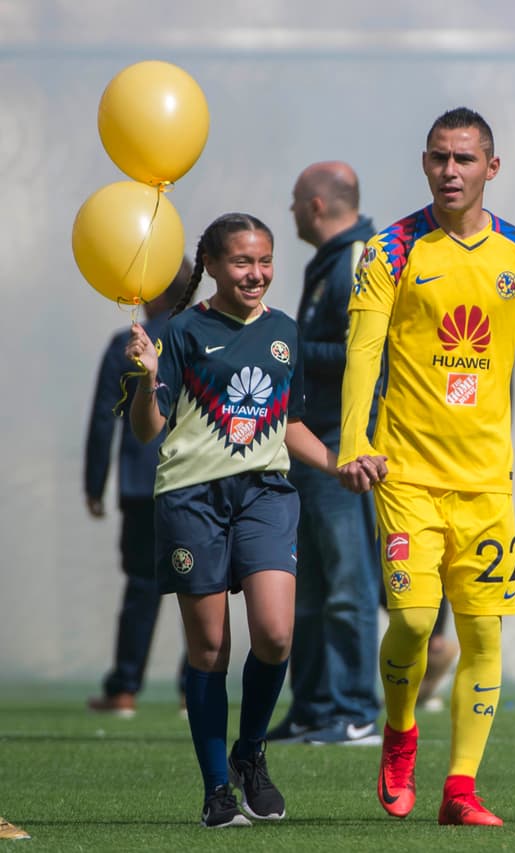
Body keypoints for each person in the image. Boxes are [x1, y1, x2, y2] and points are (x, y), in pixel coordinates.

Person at [337, 107, 515, 827]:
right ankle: (399, 734)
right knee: (415, 619)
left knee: (483, 635)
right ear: (425, 162)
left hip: (486, 482)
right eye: (438, 158)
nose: (450, 171)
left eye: (464, 159)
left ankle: (460, 788)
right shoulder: (390, 250)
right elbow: (363, 349)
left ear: (491, 167)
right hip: (405, 473)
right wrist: (353, 439)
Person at [125, 212, 359, 828]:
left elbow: (290, 422)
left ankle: (250, 753)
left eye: (264, 261)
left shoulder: (285, 331)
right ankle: (216, 790)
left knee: (276, 634)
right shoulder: (181, 331)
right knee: (209, 650)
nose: (256, 274)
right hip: (191, 499)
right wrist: (148, 381)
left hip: (266, 495)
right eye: (242, 262)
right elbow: (148, 430)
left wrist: (338, 465)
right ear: (212, 264)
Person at [265, 162, 383, 745]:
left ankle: (353, 709)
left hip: (344, 450)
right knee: (308, 586)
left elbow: (370, 354)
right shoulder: (330, 262)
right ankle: (313, 707)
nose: (290, 211)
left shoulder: (360, 259)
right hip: (311, 449)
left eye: (294, 200)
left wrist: (283, 349)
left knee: (346, 585)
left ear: (315, 205)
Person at [85, 258, 192, 718]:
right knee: (198, 584)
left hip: (142, 483)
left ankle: (125, 688)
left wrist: (95, 482)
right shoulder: (201, 337)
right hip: (193, 479)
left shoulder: (127, 344)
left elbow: (103, 418)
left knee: (142, 586)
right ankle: (194, 689)